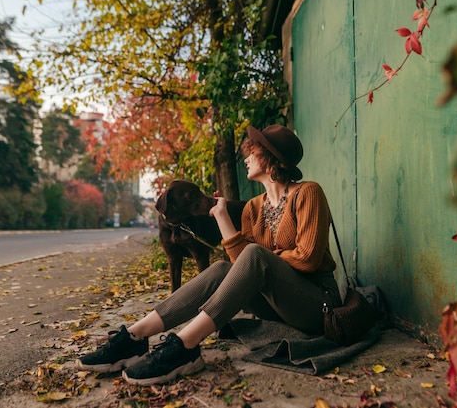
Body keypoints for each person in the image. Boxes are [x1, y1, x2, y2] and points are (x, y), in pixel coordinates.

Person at [74, 124, 342, 386]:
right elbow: (242, 267)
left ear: (271, 158)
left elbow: (307, 259)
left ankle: (185, 345)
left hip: (317, 305)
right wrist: (222, 216)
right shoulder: (252, 208)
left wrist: (267, 260)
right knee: (221, 269)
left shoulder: (308, 192)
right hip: (276, 307)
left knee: (256, 255)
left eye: (253, 151)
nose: (246, 158)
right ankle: (135, 337)